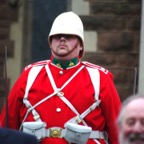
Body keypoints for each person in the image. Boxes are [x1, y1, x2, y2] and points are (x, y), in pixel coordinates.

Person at [0, 11, 121, 144]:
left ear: (80, 45)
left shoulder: (99, 78)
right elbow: (7, 126)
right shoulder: (30, 75)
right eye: (57, 36)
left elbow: (118, 130)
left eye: (69, 36)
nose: (62, 39)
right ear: (50, 43)